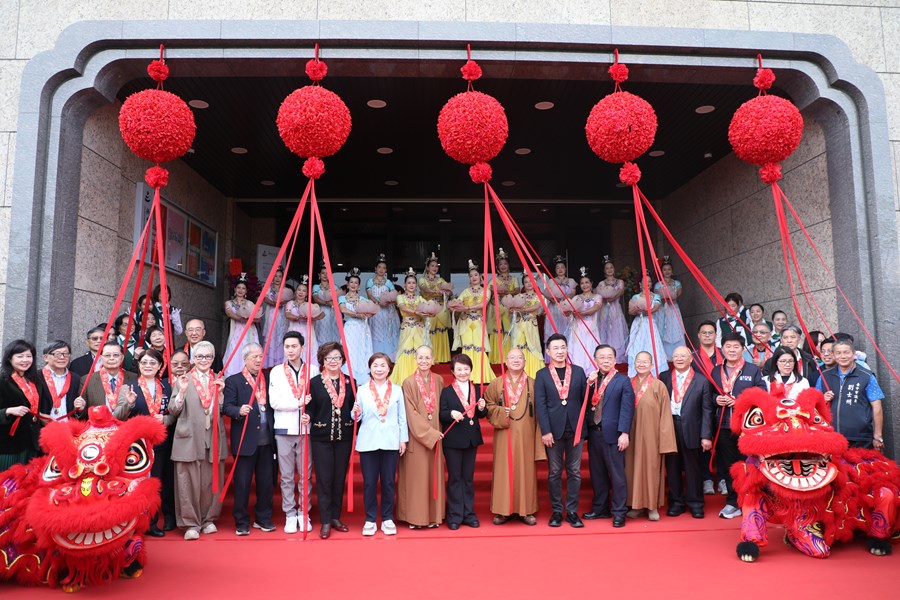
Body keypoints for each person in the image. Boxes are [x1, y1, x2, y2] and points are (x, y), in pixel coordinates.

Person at [167, 340, 227, 540]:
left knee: (210, 481)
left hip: (212, 436)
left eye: (208, 357)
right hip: (189, 436)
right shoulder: (183, 379)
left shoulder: (218, 379)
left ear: (212, 359)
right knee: (187, 481)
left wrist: (221, 397)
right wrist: (182, 391)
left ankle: (208, 519)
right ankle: (190, 523)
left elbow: (222, 410)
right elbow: (173, 411)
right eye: (200, 356)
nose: (204, 360)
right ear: (193, 359)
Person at [114, 347, 171, 538]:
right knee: (136, 485)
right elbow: (117, 416)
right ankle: (134, 523)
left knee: (154, 483)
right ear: (139, 365)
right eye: (144, 362)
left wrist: (166, 420)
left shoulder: (167, 387)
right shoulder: (128, 387)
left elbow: (173, 414)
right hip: (136, 445)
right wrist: (128, 403)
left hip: (159, 443)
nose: (148, 366)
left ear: (160, 367)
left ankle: (152, 523)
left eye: (152, 363)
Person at [484, 348, 545, 525]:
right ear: (506, 362)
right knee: (504, 471)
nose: (516, 360)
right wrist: (501, 412)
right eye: (512, 357)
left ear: (525, 362)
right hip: (505, 434)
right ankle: (503, 511)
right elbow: (488, 405)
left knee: (526, 471)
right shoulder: (496, 383)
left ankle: (526, 511)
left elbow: (542, 411)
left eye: (520, 358)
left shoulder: (533, 384)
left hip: (527, 434)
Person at [535, 333, 588, 528]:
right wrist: (545, 431)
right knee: (554, 472)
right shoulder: (541, 375)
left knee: (574, 471)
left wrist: (584, 429)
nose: (560, 351)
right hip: (553, 432)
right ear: (548, 352)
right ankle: (557, 511)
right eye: (555, 348)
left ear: (567, 349)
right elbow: (540, 405)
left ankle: (572, 511)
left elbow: (585, 402)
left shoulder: (579, 372)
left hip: (575, 430)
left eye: (563, 347)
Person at [711, 332, 766, 520]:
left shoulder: (752, 370)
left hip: (747, 427)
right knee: (728, 466)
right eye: (728, 347)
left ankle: (750, 500)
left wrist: (740, 402)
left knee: (748, 464)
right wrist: (715, 399)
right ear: (722, 349)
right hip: (724, 425)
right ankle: (732, 501)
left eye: (736, 347)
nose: (732, 350)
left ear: (743, 349)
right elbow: (708, 395)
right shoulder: (715, 371)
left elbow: (761, 394)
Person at [269, 331, 319, 534]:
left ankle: (303, 513)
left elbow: (316, 399)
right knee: (287, 476)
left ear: (302, 347)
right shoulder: (276, 372)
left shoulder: (313, 370)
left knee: (305, 475)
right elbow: (274, 401)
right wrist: (297, 404)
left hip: (305, 429)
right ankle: (290, 513)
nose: (290, 350)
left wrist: (311, 415)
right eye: (287, 346)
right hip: (283, 428)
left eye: (294, 346)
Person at [222, 344, 275, 536]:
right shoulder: (234, 381)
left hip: (267, 441)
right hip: (245, 440)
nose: (259, 360)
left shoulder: (268, 379)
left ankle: (263, 519)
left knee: (266, 483)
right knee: (243, 483)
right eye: (254, 357)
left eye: (261, 356)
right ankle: (241, 521)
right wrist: (238, 411)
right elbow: (226, 407)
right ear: (245, 359)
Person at [353, 353, 408, 536]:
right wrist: (355, 413)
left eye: (383, 365)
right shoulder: (361, 390)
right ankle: (369, 519)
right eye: (375, 365)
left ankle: (387, 518)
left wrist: (403, 439)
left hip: (391, 441)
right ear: (370, 368)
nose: (379, 369)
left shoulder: (398, 390)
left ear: (389, 368)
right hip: (368, 441)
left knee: (388, 481)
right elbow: (356, 417)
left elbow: (402, 417)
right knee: (369, 483)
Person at [307, 342, 356, 539]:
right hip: (321, 437)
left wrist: (357, 414)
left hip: (343, 436)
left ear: (342, 360)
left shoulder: (350, 382)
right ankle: (325, 520)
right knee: (324, 479)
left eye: (336, 358)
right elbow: (310, 407)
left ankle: (336, 516)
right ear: (322, 361)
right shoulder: (315, 382)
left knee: (338, 478)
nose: (333, 361)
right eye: (329, 358)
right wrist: (307, 416)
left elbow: (355, 408)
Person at [582, 344, 633, 528]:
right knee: (597, 474)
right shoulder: (591, 380)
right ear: (595, 359)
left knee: (617, 475)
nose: (605, 360)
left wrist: (624, 433)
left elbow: (627, 410)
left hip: (614, 434)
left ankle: (619, 512)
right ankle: (600, 508)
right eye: (601, 357)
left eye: (609, 357)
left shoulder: (623, 380)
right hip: (594, 434)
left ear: (614, 360)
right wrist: (588, 385)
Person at [659, 346, 713, 519]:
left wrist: (706, 435)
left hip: (692, 428)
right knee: (672, 466)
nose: (679, 358)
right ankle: (676, 502)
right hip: (670, 426)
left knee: (693, 468)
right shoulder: (664, 377)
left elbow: (707, 410)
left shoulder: (701, 380)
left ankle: (696, 503)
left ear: (691, 359)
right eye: (676, 356)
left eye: (683, 355)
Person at [397, 345, 446, 529]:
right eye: (420, 357)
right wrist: (430, 434)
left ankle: (434, 516)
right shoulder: (408, 382)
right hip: (418, 437)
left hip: (437, 435)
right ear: (415, 359)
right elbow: (411, 413)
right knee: (416, 479)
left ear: (433, 360)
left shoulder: (439, 380)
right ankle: (415, 518)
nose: (424, 361)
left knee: (433, 477)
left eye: (427, 358)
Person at [625, 351, 676, 521]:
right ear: (634, 363)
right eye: (638, 361)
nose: (641, 364)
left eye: (645, 362)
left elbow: (665, 414)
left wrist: (665, 440)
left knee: (651, 469)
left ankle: (652, 506)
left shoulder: (658, 385)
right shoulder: (628, 383)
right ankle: (635, 505)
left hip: (651, 436)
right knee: (631, 469)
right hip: (630, 434)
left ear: (652, 365)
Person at [440, 353, 487, 530]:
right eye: (459, 369)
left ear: (470, 370)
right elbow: (441, 413)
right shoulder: (447, 391)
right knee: (455, 478)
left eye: (466, 369)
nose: (462, 372)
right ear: (452, 371)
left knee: (468, 478)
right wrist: (451, 413)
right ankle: (454, 515)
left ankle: (469, 514)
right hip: (453, 440)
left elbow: (481, 414)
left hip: (471, 439)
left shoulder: (476, 389)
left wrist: (483, 408)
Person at [817, 339, 885, 450]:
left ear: (853, 354)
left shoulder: (866, 376)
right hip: (831, 436)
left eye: (846, 352)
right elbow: (815, 404)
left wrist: (877, 436)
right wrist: (822, 399)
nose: (843, 356)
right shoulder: (824, 376)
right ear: (833, 355)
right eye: (838, 353)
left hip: (860, 437)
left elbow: (877, 407)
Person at [0, 340, 51, 470]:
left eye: (29, 356)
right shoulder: (2, 379)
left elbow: (33, 406)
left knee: (26, 482)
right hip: (8, 444)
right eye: (20, 356)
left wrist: (42, 416)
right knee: (7, 483)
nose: (25, 360)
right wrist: (8, 411)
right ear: (9, 358)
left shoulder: (34, 380)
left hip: (31, 440)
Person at [159, 350, 190, 531]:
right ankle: (169, 515)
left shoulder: (194, 383)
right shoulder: (162, 385)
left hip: (188, 435)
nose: (179, 368)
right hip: (167, 434)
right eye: (175, 364)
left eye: (183, 364)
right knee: (168, 477)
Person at [450, 261, 496, 384]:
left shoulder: (486, 291)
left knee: (478, 347)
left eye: (476, 275)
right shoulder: (465, 292)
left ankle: (481, 376)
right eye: (471, 276)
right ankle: (466, 375)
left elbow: (483, 304)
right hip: (465, 323)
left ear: (480, 276)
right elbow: (458, 302)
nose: (473, 278)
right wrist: (453, 306)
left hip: (478, 323)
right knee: (467, 347)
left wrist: (467, 308)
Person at [691, 319, 723, 496]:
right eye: (704, 333)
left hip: (721, 404)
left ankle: (724, 478)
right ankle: (706, 479)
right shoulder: (692, 357)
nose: (708, 335)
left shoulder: (724, 355)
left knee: (722, 442)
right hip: (699, 405)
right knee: (703, 442)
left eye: (711, 332)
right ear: (698, 335)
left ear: (716, 335)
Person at [78, 341, 137, 415]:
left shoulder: (134, 378)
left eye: (115, 355)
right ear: (101, 357)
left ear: (122, 357)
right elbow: (82, 413)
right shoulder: (87, 379)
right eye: (107, 355)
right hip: (99, 425)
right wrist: (80, 409)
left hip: (127, 425)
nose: (111, 358)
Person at [626, 274, 667, 377]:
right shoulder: (635, 297)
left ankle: (654, 372)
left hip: (650, 323)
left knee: (652, 346)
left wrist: (646, 311)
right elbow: (630, 311)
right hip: (638, 324)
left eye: (649, 281)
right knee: (637, 346)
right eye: (644, 281)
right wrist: (637, 310)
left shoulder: (655, 296)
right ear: (640, 284)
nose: (647, 283)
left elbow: (656, 307)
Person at [391, 271, 428, 384]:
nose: (411, 285)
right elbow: (403, 307)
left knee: (419, 351)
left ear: (416, 285)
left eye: (413, 283)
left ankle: (420, 378)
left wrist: (428, 313)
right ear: (404, 285)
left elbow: (428, 307)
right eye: (409, 283)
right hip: (407, 328)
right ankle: (403, 378)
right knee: (405, 351)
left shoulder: (420, 298)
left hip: (418, 328)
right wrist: (417, 311)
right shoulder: (400, 297)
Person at [338, 268, 374, 382]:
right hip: (350, 327)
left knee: (362, 351)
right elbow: (343, 310)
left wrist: (368, 314)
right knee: (348, 351)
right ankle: (348, 377)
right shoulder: (342, 298)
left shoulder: (363, 299)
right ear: (348, 285)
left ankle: (362, 379)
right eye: (351, 282)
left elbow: (371, 312)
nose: (353, 285)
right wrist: (358, 314)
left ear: (359, 286)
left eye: (356, 283)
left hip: (362, 328)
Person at [506, 274, 544, 378]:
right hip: (519, 325)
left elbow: (536, 307)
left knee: (532, 346)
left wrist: (521, 309)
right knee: (519, 345)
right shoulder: (519, 296)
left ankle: (533, 372)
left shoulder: (538, 297)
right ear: (523, 284)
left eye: (531, 281)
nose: (529, 284)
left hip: (531, 325)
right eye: (526, 282)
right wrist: (512, 310)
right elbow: (510, 312)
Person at [223, 275, 261, 378]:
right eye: (238, 288)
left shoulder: (250, 304)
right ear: (235, 289)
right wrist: (242, 318)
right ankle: (233, 377)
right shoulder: (229, 303)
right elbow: (230, 313)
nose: (240, 290)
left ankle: (250, 375)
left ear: (246, 291)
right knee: (234, 352)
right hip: (236, 332)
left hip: (249, 332)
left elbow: (258, 318)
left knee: (249, 352)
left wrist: (250, 318)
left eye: (243, 288)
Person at [487, 248, 520, 364]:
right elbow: (489, 292)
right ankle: (496, 358)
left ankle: (509, 357)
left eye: (505, 263)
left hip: (509, 310)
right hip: (497, 308)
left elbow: (517, 291)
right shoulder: (494, 280)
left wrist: (504, 292)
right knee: (497, 331)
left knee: (509, 330)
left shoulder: (514, 279)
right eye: (500, 264)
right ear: (497, 267)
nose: (503, 266)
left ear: (508, 265)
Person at [418, 253, 452, 364]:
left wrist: (446, 291)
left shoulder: (440, 280)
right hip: (428, 308)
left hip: (440, 309)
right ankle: (429, 357)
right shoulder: (422, 280)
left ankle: (441, 357)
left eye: (436, 266)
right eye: (432, 266)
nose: (435, 268)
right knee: (429, 330)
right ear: (427, 267)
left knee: (441, 331)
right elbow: (425, 289)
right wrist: (438, 291)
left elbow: (449, 290)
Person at [567, 267, 602, 374]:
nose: (585, 285)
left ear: (591, 283)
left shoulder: (597, 296)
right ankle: (579, 374)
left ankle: (592, 374)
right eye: (582, 283)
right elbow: (569, 311)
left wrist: (580, 313)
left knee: (591, 349)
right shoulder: (576, 297)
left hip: (591, 328)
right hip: (578, 329)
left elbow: (595, 308)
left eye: (587, 282)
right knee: (579, 350)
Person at [594, 256, 629, 361]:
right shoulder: (601, 284)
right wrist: (606, 297)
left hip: (615, 310)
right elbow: (599, 296)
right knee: (605, 331)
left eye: (611, 267)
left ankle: (617, 355)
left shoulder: (620, 282)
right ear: (604, 270)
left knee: (616, 330)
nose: (609, 270)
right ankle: (605, 355)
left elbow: (619, 293)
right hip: (604, 310)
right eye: (607, 268)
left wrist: (610, 296)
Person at [39, 340, 84, 422]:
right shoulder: (36, 377)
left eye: (66, 354)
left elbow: (78, 411)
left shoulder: (76, 378)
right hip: (42, 428)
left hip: (69, 427)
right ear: (45, 357)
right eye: (57, 354)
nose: (62, 357)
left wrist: (79, 408)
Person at [366, 255, 400, 359]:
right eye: (379, 267)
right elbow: (369, 295)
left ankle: (390, 357)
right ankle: (376, 356)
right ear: (375, 269)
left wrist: (389, 302)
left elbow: (394, 295)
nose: (381, 270)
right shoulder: (370, 281)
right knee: (377, 332)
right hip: (376, 310)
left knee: (388, 332)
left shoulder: (389, 282)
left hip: (388, 311)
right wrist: (379, 302)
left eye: (384, 268)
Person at [285, 275, 323, 364]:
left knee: (308, 349)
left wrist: (314, 317)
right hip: (294, 330)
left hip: (307, 331)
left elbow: (322, 314)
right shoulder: (290, 303)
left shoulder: (310, 305)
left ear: (307, 294)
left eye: (304, 290)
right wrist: (299, 317)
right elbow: (287, 315)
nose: (301, 292)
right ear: (295, 291)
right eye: (299, 290)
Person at [541, 255, 577, 347]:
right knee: (553, 330)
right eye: (558, 268)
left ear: (565, 269)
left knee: (567, 330)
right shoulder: (551, 281)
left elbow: (573, 293)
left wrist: (563, 300)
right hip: (554, 308)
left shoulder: (571, 281)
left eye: (562, 267)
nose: (560, 270)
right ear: (555, 270)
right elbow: (547, 294)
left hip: (566, 308)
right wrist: (554, 300)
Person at [653, 257, 685, 358]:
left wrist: (670, 295)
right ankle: (664, 355)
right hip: (662, 309)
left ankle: (678, 353)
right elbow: (658, 296)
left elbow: (677, 294)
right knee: (663, 329)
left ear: (672, 271)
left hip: (673, 308)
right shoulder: (658, 285)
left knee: (676, 329)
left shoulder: (677, 283)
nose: (667, 272)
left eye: (669, 269)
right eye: (664, 269)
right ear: (661, 271)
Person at [261, 268, 292, 370]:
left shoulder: (286, 290)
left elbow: (288, 301)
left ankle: (281, 361)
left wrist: (280, 302)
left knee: (281, 336)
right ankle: (270, 362)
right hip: (271, 313)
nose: (278, 278)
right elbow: (266, 299)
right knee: (271, 335)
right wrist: (275, 303)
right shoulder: (268, 289)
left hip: (282, 314)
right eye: (275, 276)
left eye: (280, 276)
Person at [312, 263, 341, 345]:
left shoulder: (335, 287)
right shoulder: (316, 287)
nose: (325, 275)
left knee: (333, 331)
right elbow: (316, 299)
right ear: (319, 275)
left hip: (333, 312)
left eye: (327, 273)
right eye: (323, 273)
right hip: (321, 312)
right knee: (321, 332)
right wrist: (327, 303)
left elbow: (338, 299)